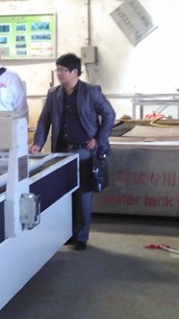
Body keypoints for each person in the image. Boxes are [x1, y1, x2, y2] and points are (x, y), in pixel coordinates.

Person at [30, 53, 116, 251]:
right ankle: (67, 233)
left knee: (83, 194)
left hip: (84, 151)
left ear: (75, 72)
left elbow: (109, 114)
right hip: (61, 152)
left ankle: (81, 236)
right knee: (64, 194)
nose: (59, 73)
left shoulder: (91, 91)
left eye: (63, 70)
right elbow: (44, 120)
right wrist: (38, 143)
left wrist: (99, 139)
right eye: (57, 70)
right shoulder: (53, 94)